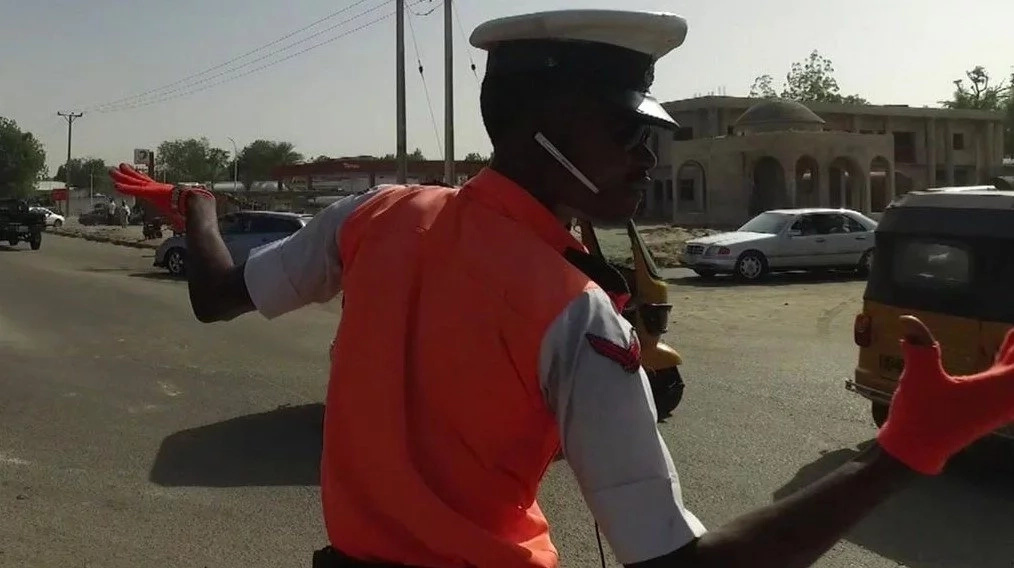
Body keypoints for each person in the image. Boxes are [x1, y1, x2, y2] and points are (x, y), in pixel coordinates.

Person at [110, 9, 1014, 568]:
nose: (646, 155)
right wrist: (901, 453)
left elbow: (217, 293)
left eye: (652, 131)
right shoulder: (573, 315)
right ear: (540, 130)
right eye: (625, 128)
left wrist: (196, 208)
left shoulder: (371, 218)